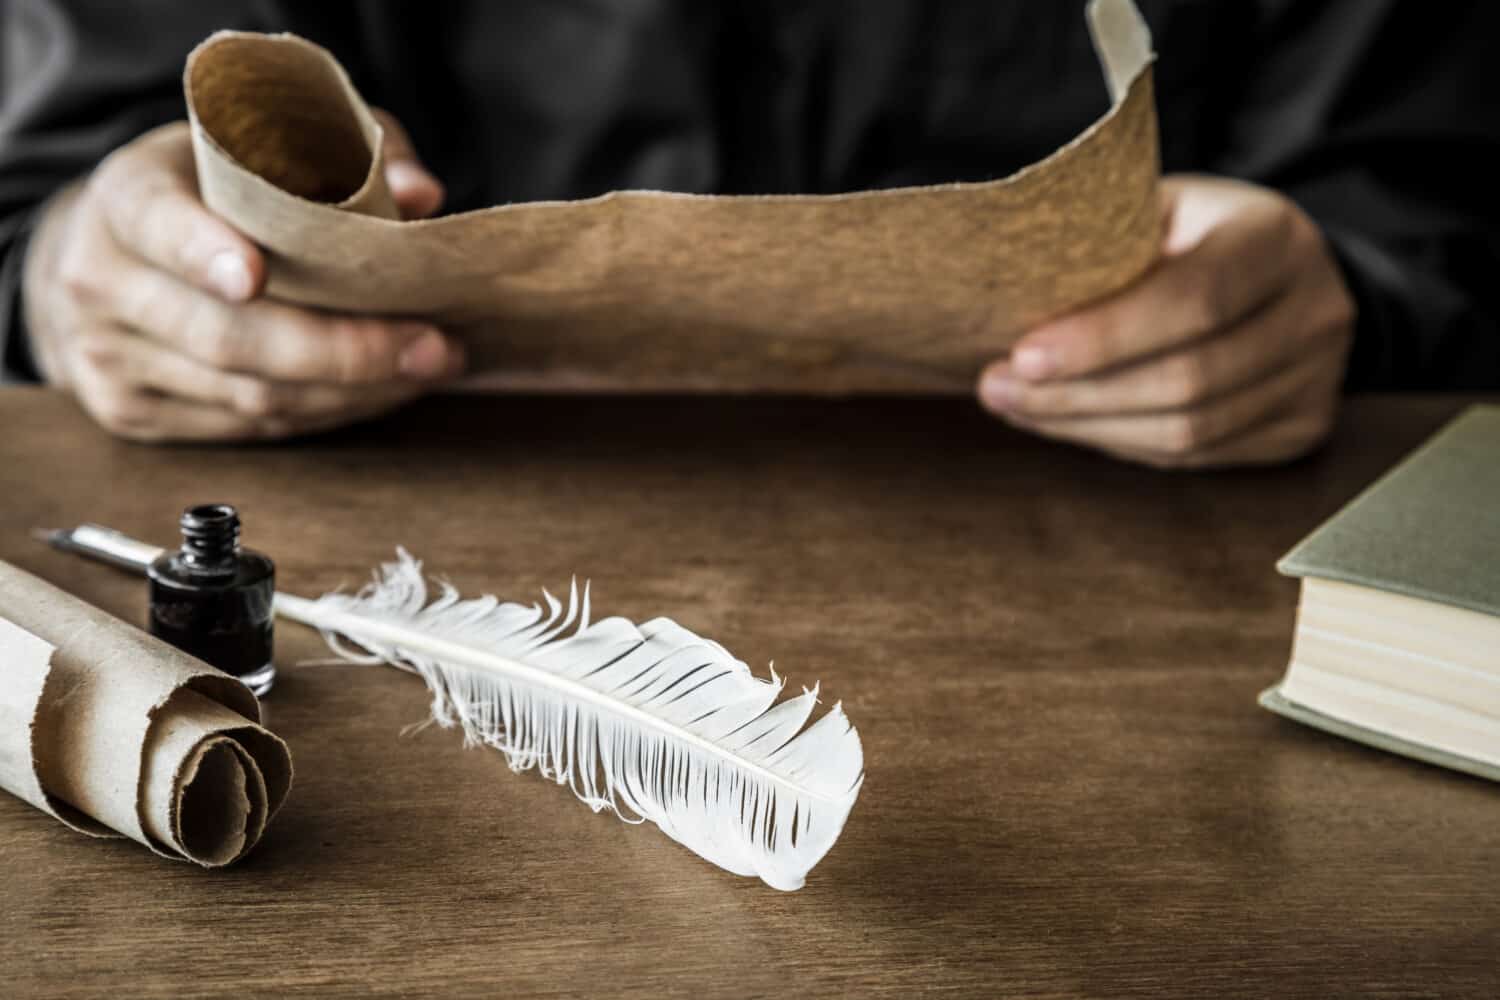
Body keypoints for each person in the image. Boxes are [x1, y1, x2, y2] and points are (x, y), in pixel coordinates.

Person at [2, 1, 1496, 466]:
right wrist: (79, 263)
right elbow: (54, 184)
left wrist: (1344, 295)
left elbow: (1417, 211)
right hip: (374, 524)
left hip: (1150, 537)